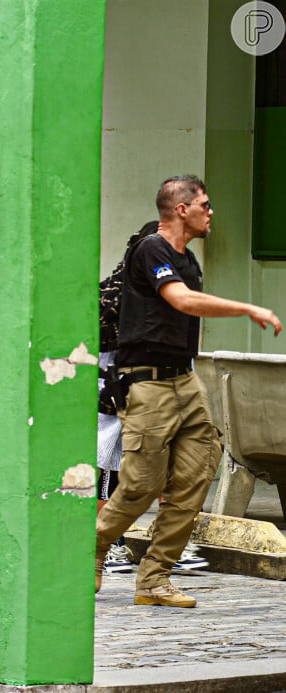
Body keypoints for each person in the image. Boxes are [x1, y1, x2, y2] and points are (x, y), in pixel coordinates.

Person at [95, 175, 282, 607]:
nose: (211, 212)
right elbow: (180, 300)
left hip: (184, 378)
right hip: (148, 383)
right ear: (182, 209)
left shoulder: (188, 258)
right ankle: (93, 544)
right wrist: (247, 307)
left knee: (197, 474)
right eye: (205, 204)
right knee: (141, 484)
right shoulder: (151, 249)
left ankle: (154, 579)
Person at [98, 221, 209, 575]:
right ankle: (108, 545)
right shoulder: (117, 294)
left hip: (170, 386)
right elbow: (100, 347)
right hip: (123, 387)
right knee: (115, 465)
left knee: (179, 466)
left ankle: (168, 548)